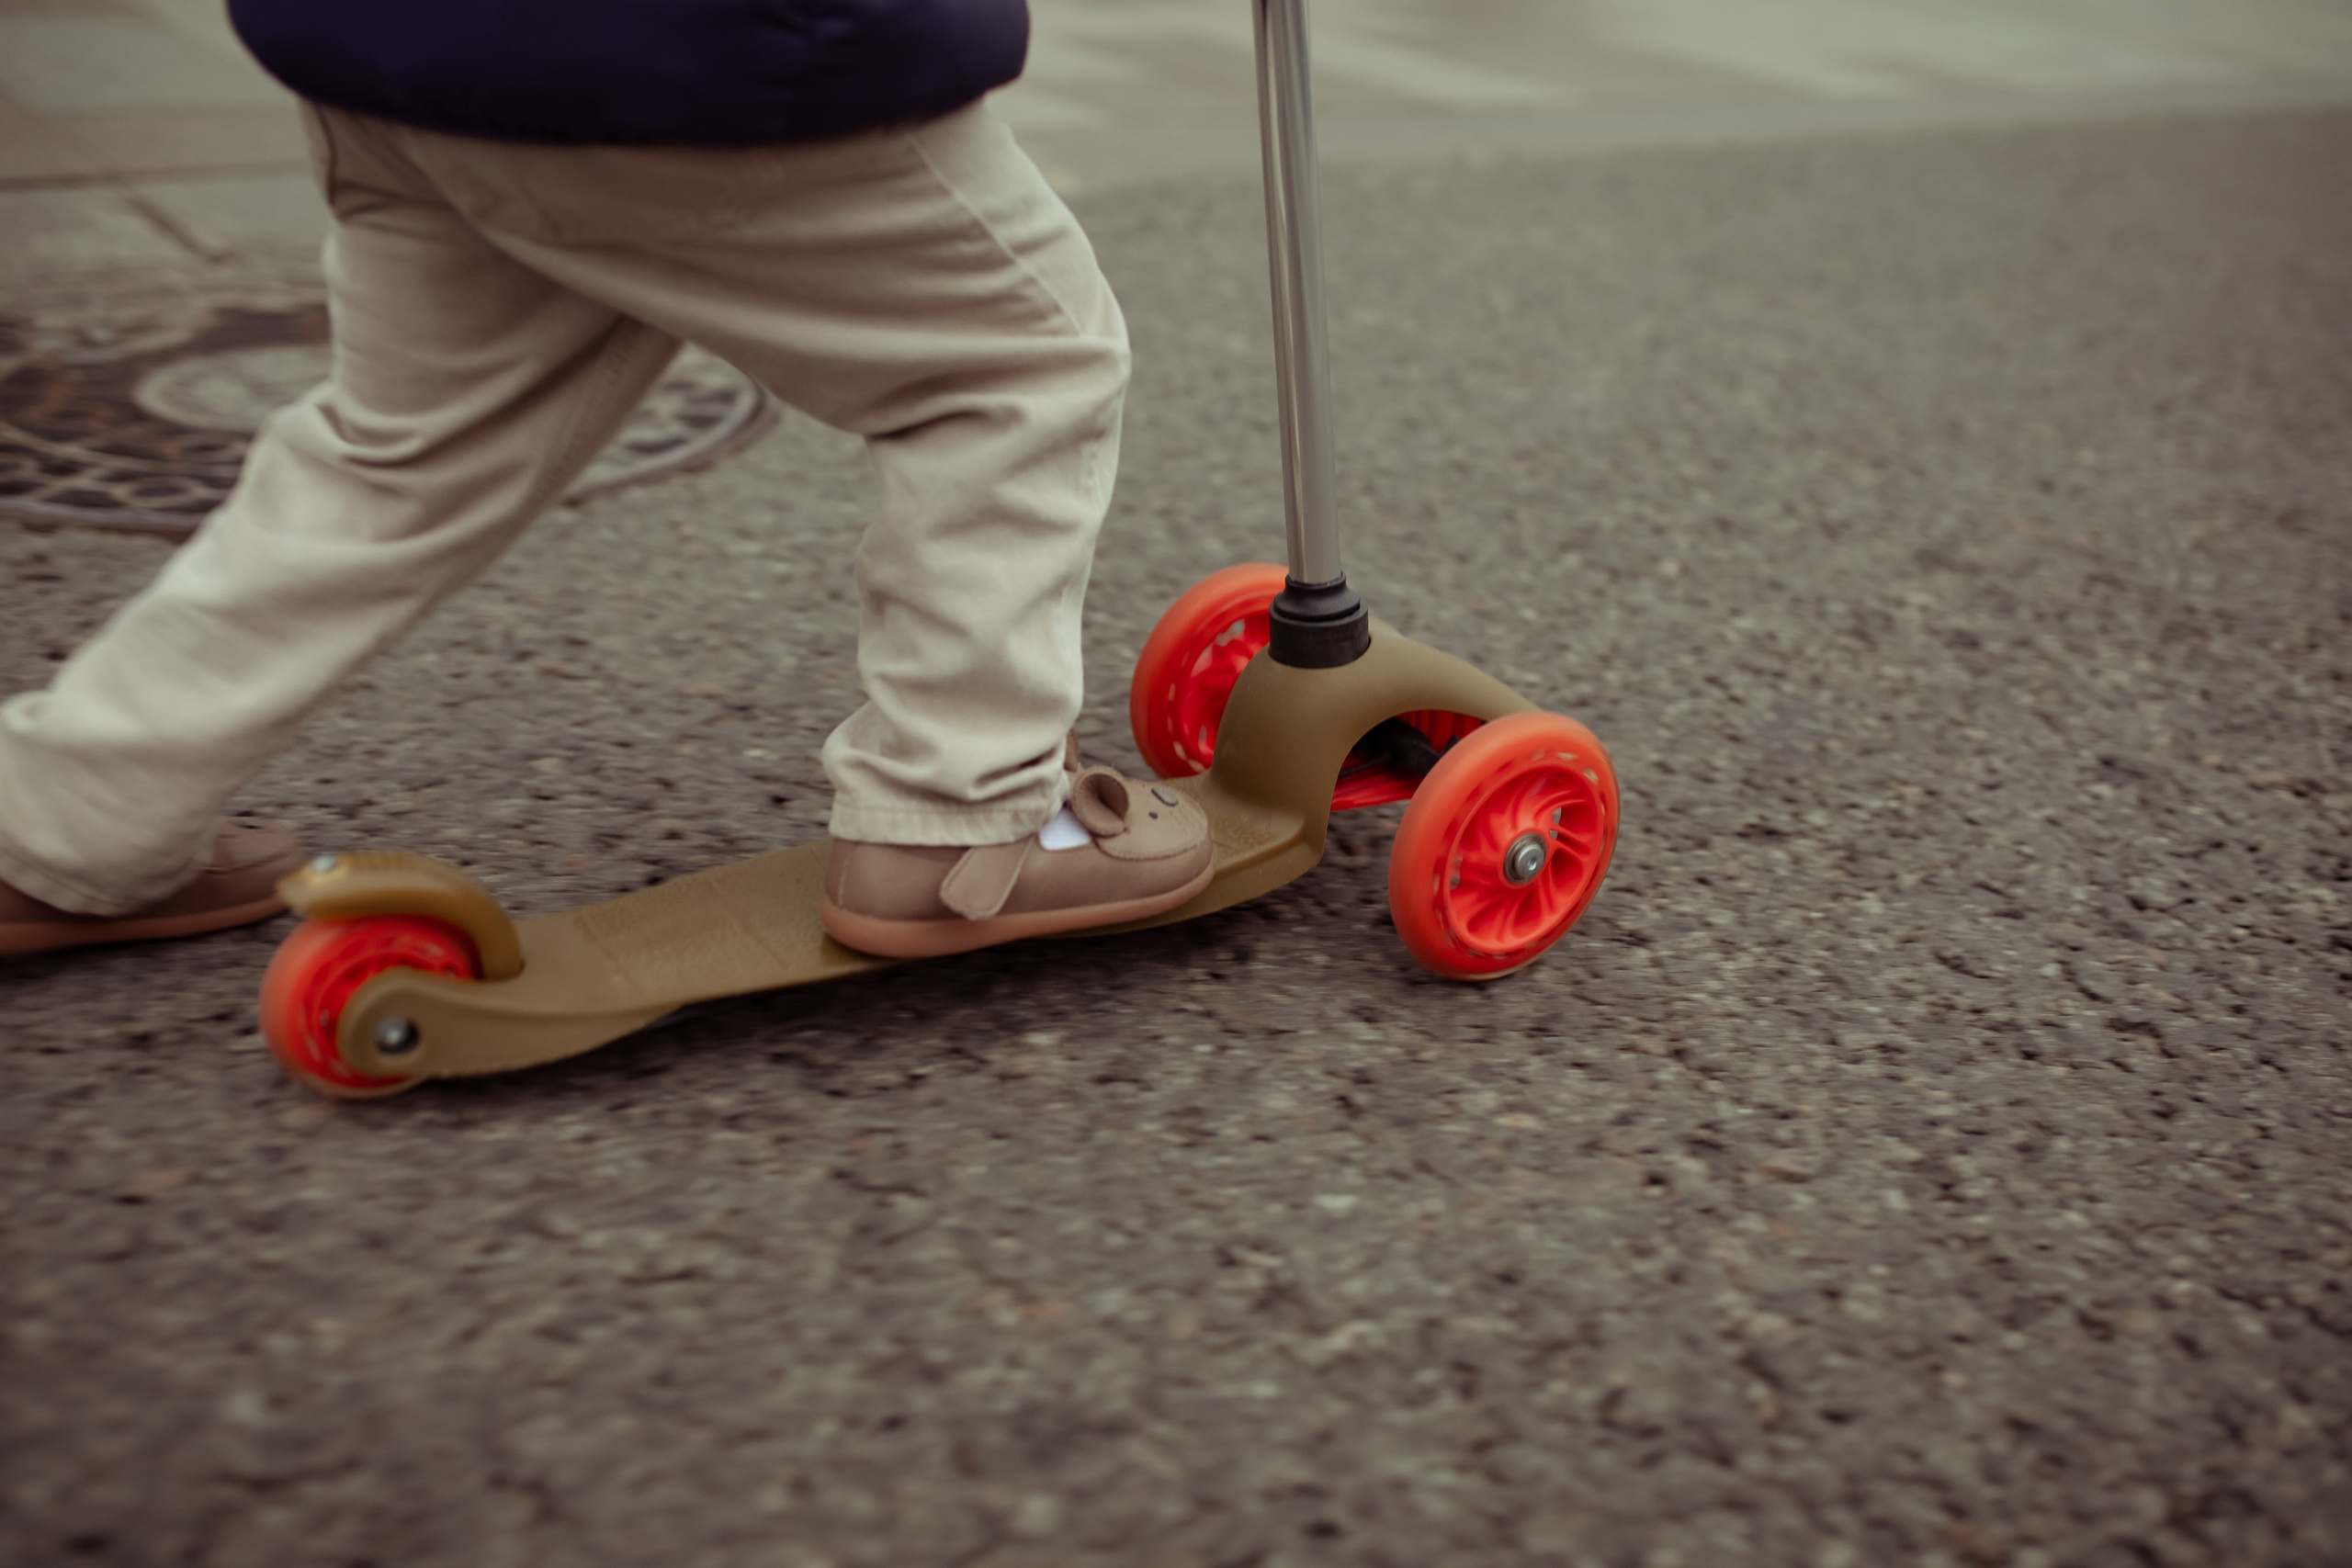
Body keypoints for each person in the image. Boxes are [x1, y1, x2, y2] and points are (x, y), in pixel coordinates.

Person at [0, 0, 1211, 961]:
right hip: (701, 51)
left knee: (400, 455)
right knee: (1019, 363)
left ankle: (63, 821)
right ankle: (961, 819)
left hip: (390, 49)